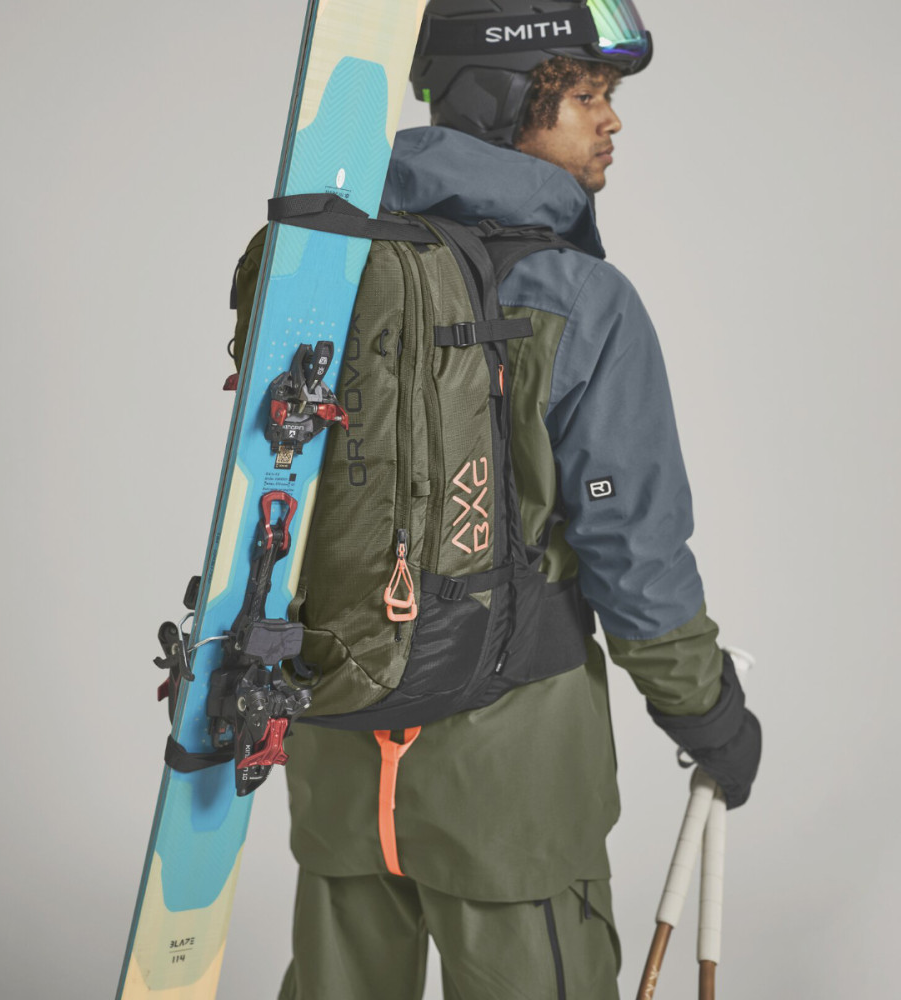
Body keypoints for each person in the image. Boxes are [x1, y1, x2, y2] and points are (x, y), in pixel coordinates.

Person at [276, 2, 762, 997]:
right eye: (585, 95)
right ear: (502, 100)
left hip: (339, 759)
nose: (610, 120)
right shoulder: (581, 298)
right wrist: (708, 711)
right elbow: (634, 552)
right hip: (510, 788)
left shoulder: (329, 266)